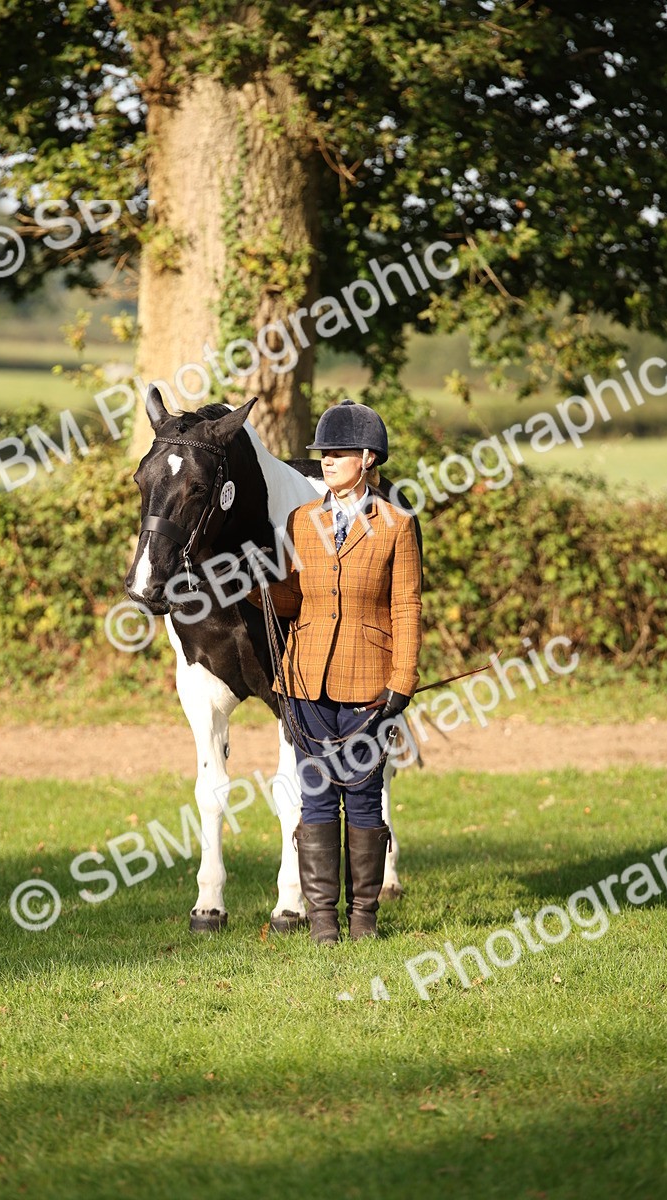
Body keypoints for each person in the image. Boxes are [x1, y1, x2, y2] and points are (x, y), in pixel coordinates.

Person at [249, 398, 422, 943]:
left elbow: (407, 607)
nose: (325, 462)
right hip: (305, 680)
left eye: (338, 453)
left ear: (368, 458)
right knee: (316, 794)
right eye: (323, 454)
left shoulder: (396, 525)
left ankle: (363, 920)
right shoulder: (303, 522)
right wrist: (252, 591)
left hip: (369, 682)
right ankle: (323, 921)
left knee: (364, 796)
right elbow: (295, 597)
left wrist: (402, 681)